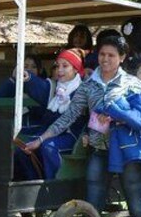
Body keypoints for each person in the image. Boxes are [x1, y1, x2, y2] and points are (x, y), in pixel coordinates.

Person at [26, 36, 141, 217]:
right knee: (92, 207)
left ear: (121, 58)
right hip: (100, 152)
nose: (105, 59)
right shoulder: (89, 85)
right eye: (102, 55)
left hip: (128, 153)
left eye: (111, 55)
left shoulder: (132, 84)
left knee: (137, 206)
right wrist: (41, 140)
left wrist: (118, 117)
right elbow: (68, 116)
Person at [14, 48, 87, 180]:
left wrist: (40, 139)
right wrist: (28, 78)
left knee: (49, 147)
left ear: (76, 69)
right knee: (21, 149)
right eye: (57, 66)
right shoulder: (56, 88)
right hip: (49, 133)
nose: (60, 70)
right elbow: (40, 87)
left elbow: (66, 121)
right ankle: (35, 184)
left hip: (71, 136)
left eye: (65, 66)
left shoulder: (81, 91)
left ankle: (53, 185)